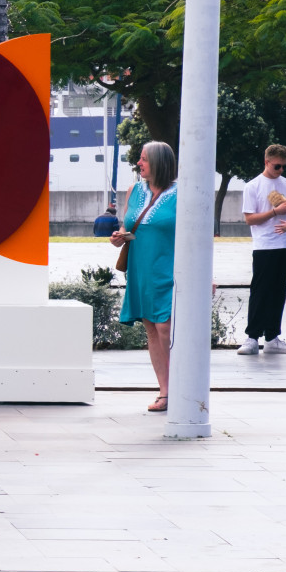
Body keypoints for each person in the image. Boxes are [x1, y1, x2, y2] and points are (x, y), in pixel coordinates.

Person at [112, 141, 178, 412]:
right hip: (141, 269)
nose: (139, 163)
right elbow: (129, 226)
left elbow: (198, 238)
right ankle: (165, 392)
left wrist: (206, 275)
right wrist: (119, 237)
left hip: (169, 269)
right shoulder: (134, 190)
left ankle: (180, 387)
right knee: (151, 328)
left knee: (166, 327)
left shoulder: (182, 194)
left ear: (160, 163)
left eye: (144, 159)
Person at [237, 142, 286, 355]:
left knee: (279, 290)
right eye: (277, 166)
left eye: (284, 166)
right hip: (264, 245)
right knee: (260, 290)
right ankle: (252, 337)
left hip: (285, 244)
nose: (281, 170)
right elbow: (250, 219)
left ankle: (272, 336)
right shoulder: (253, 186)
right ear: (266, 162)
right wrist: (275, 212)